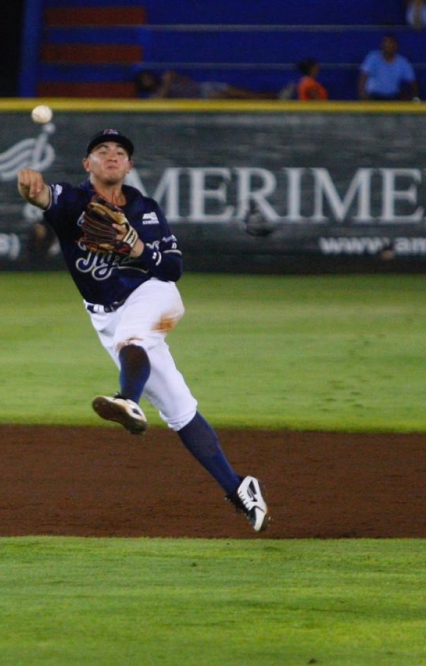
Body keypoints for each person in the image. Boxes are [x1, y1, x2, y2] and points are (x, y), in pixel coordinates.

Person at [15, 129, 271, 533]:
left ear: (130, 166)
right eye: (102, 150)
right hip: (105, 315)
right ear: (88, 164)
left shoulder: (145, 209)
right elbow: (43, 195)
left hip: (155, 297)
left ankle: (126, 400)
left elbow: (172, 270)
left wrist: (135, 246)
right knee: (179, 409)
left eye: (120, 152)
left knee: (132, 340)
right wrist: (32, 188)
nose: (112, 156)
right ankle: (240, 488)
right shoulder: (73, 201)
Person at [358, 34, 420, 100]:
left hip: (394, 97)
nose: (388, 45)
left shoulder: (402, 61)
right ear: (382, 45)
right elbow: (363, 76)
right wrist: (362, 94)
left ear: (396, 46)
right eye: (386, 43)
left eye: (391, 43)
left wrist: (416, 97)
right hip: (374, 96)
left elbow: (413, 82)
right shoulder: (373, 57)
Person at [152, 70, 277, 100]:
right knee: (230, 96)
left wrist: (175, 76)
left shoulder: (167, 79)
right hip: (201, 97)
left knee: (241, 91)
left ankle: (271, 96)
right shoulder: (155, 94)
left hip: (204, 86)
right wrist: (167, 82)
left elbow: (188, 81)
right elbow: (161, 98)